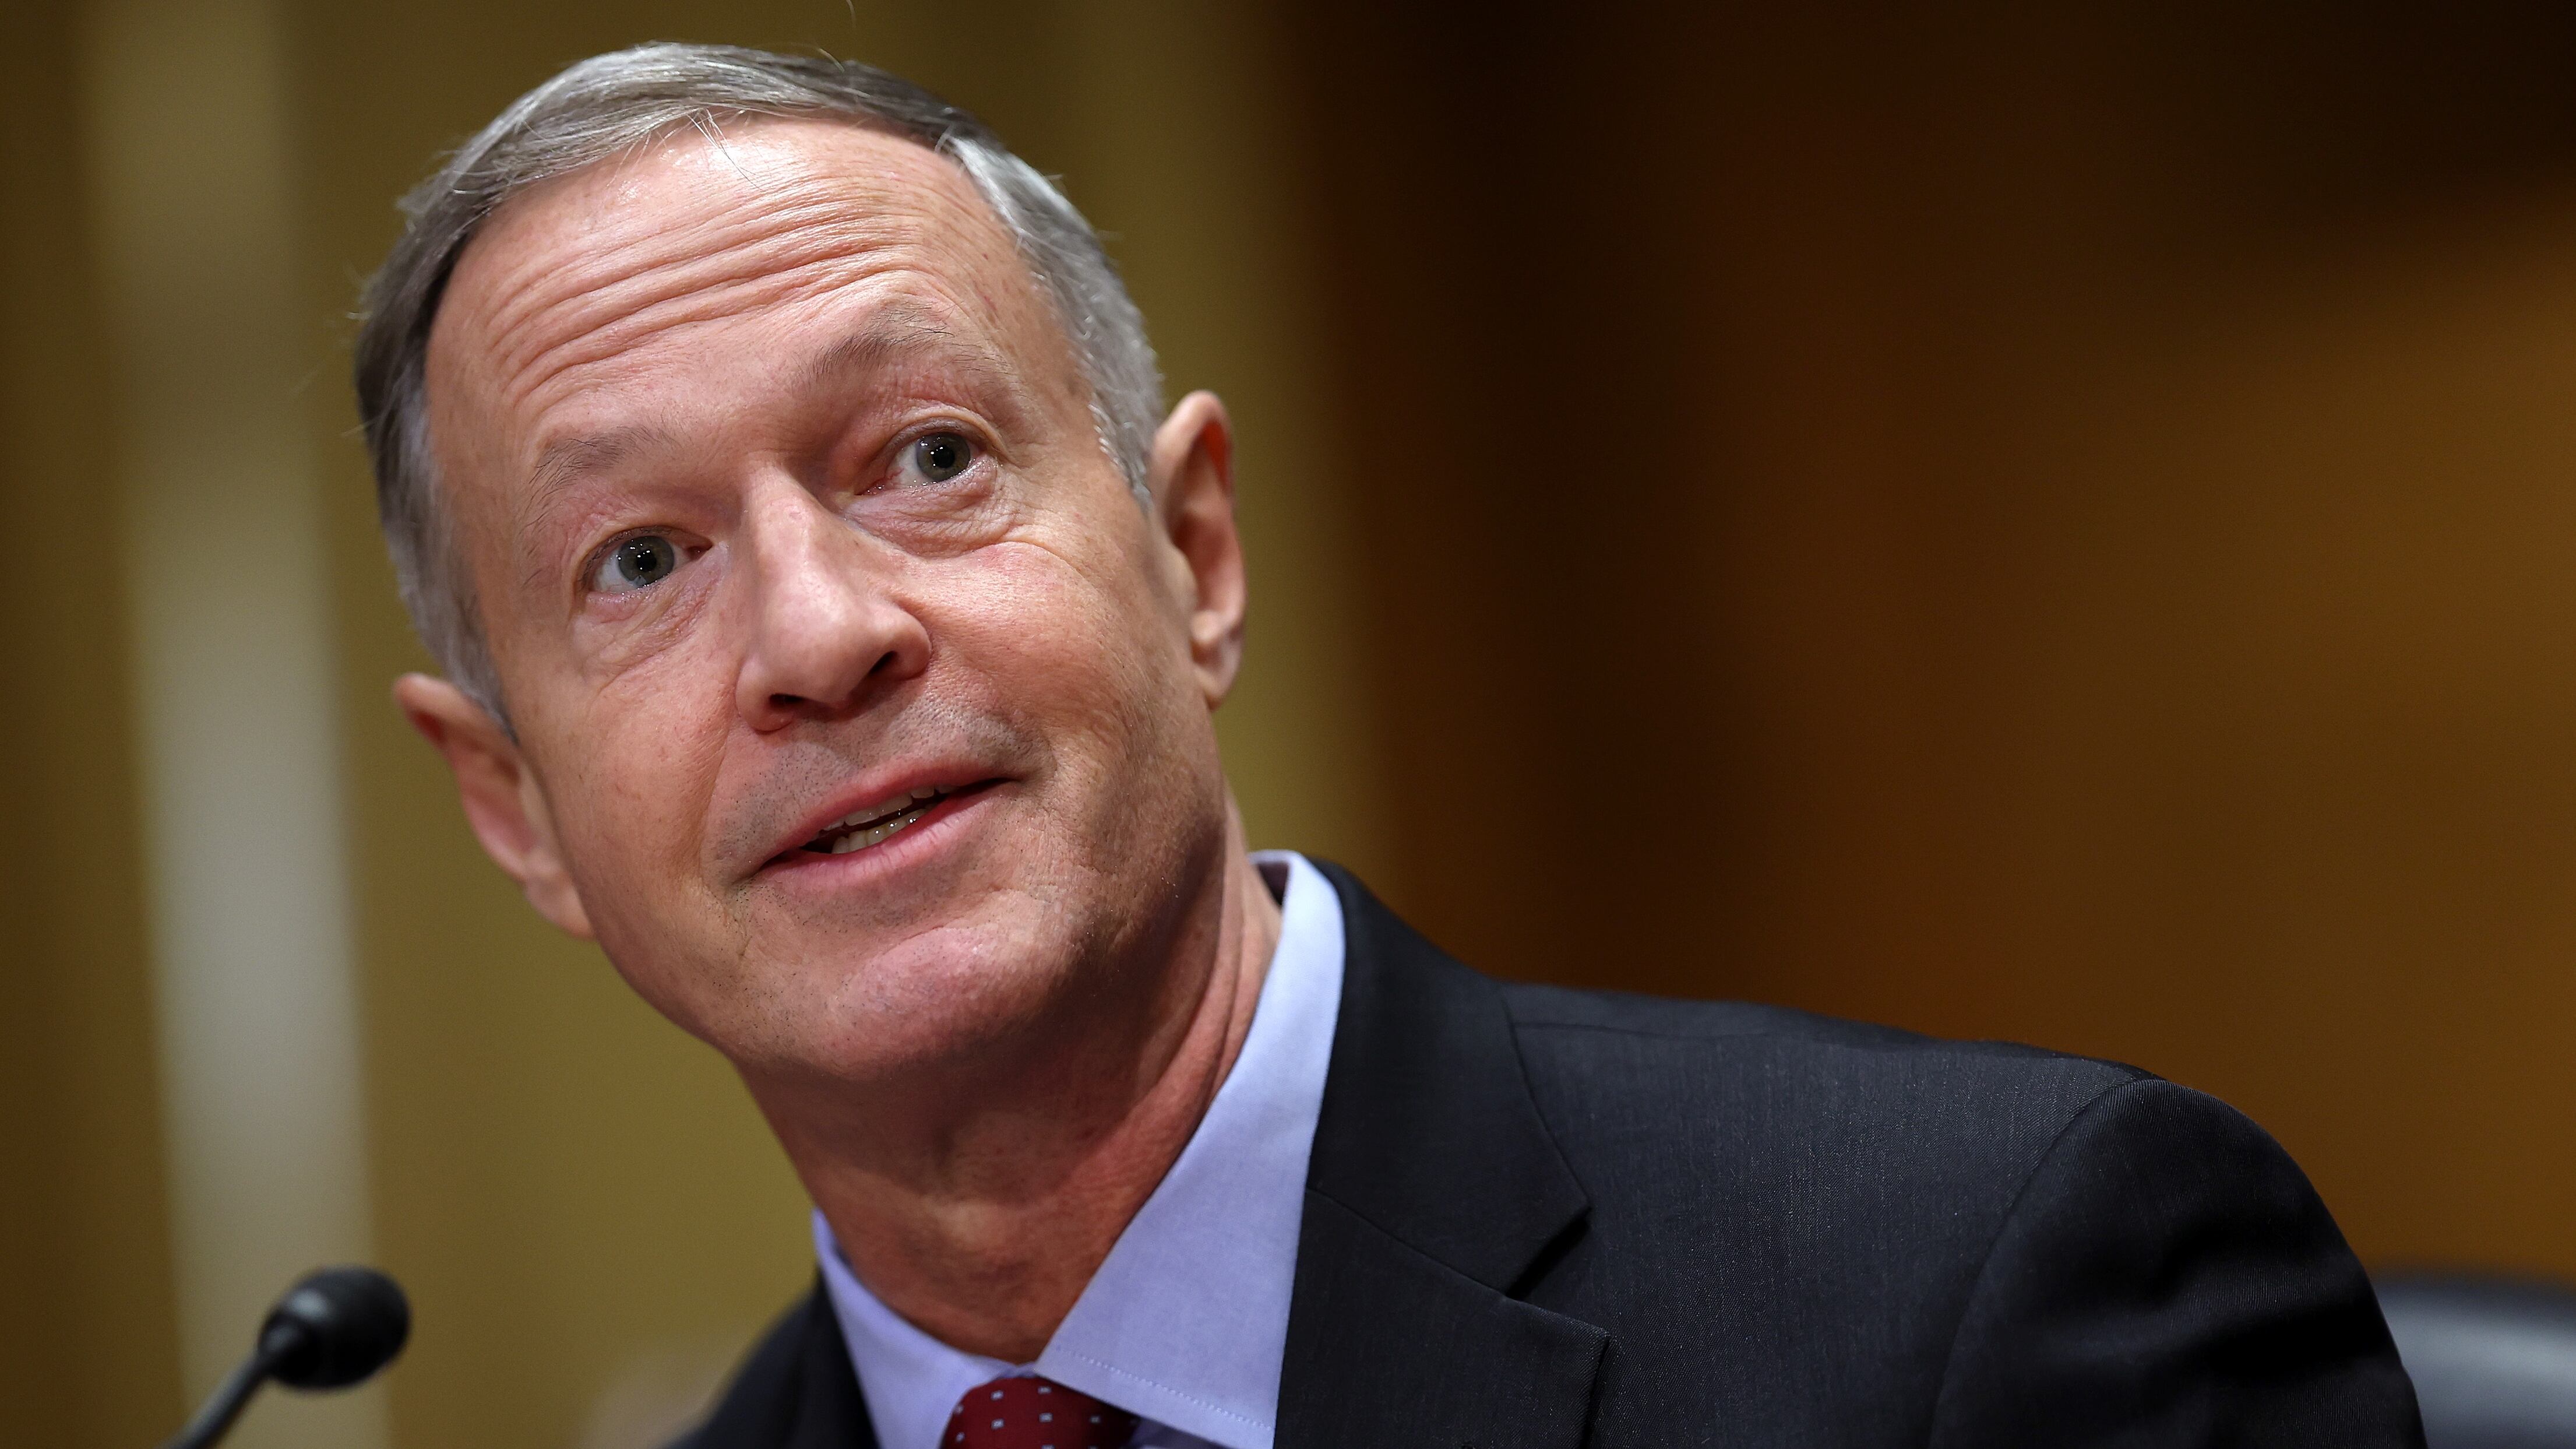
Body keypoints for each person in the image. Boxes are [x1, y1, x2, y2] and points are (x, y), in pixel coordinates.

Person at [355, 43, 2423, 1448]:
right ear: (515, 808)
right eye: (638, 559)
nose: (818, 633)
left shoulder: (1996, 1288)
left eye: (923, 455)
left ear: (1194, 556)